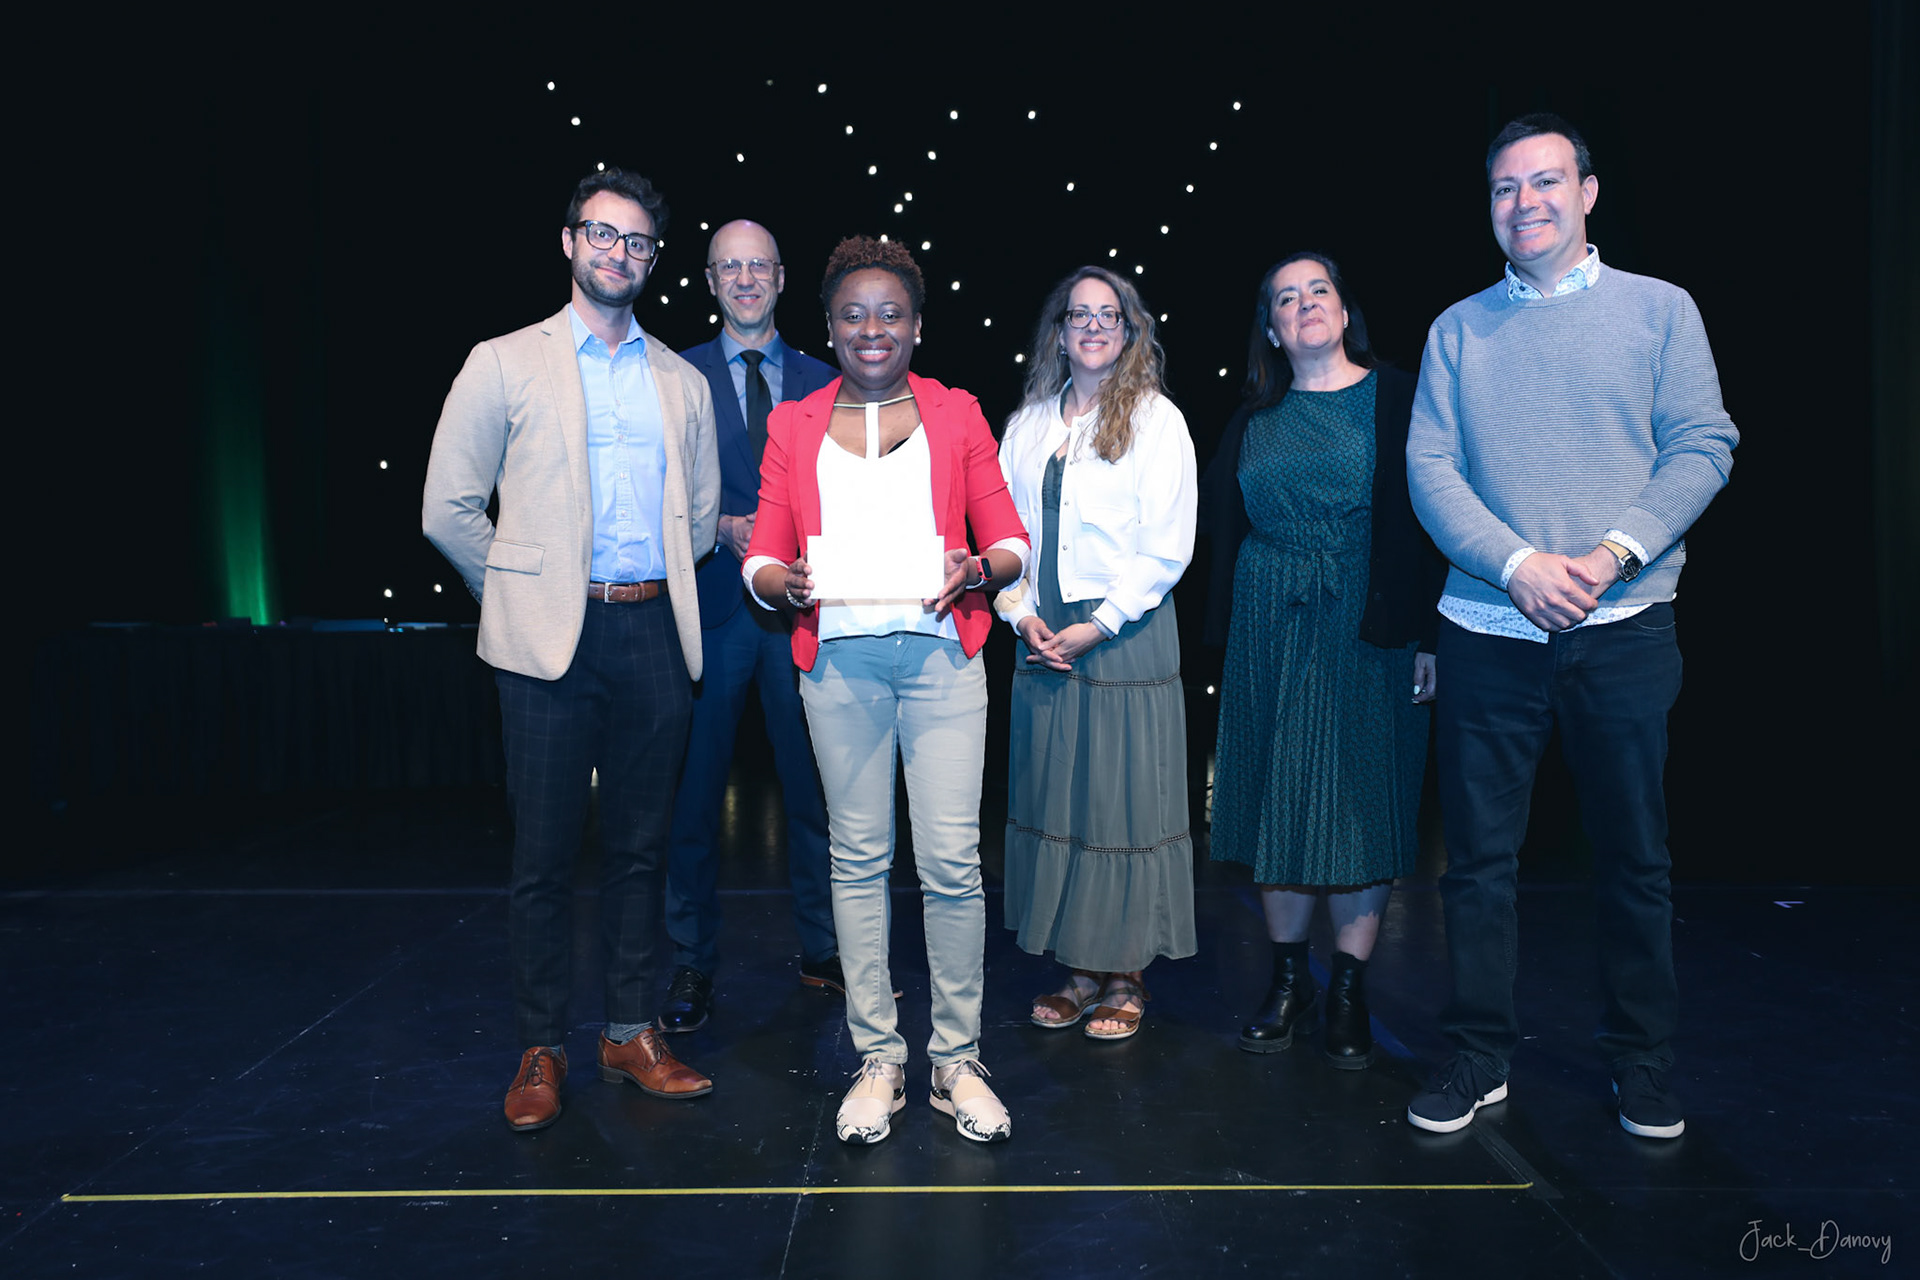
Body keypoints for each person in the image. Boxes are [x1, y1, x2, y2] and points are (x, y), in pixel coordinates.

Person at [1404, 114, 1737, 1138]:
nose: (1526, 202)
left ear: (1587, 193)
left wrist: (1608, 557)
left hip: (1624, 626)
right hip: (1486, 630)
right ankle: (1479, 1055)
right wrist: (1518, 566)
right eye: (1506, 187)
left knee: (1633, 859)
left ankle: (1643, 1062)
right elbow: (1430, 469)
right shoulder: (1458, 329)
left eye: (1546, 181)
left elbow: (1703, 444)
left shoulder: (1661, 310)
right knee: (1477, 867)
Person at [422, 168, 719, 1132]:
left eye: (637, 241)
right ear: (569, 242)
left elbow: (700, 518)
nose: (618, 253)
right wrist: (521, 593)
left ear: (652, 259)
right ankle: (541, 1046)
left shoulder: (681, 381)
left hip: (653, 632)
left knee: (640, 852)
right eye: (602, 234)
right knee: (544, 856)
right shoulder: (504, 361)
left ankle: (629, 1034)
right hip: (548, 640)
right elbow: (447, 509)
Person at [742, 236, 1029, 1145]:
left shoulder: (956, 412)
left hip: (941, 660)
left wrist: (977, 567)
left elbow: (1011, 542)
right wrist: (783, 583)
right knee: (858, 860)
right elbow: (762, 556)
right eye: (854, 314)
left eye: (891, 313)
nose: (873, 328)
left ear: (917, 325)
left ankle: (957, 1060)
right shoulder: (794, 423)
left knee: (951, 863)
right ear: (829, 327)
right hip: (840, 665)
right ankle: (879, 1058)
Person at [1203, 252, 1444, 1069]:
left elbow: (1433, 520)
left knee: (1361, 802)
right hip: (1269, 624)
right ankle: (1285, 982)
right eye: (1286, 299)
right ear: (1271, 329)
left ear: (1345, 313)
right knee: (1278, 798)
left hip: (1369, 623)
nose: (1304, 305)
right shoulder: (1252, 419)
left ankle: (1347, 988)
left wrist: (1431, 635)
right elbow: (1219, 527)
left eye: (1319, 291)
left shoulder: (1400, 398)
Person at [995, 266, 1197, 1041]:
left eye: (1107, 315)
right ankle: (1080, 970)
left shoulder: (1156, 419)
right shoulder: (1028, 424)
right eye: (1077, 315)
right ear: (1058, 333)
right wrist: (1019, 615)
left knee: (1121, 802)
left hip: (1123, 633)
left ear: (1129, 330)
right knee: (1062, 800)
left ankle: (1125, 975)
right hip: (1044, 635)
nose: (1092, 327)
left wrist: (1102, 622)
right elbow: (1004, 533)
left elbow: (1167, 544)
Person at [657, 220, 840, 1033]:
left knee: (814, 792)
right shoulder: (675, 375)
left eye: (757, 265)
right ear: (709, 280)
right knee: (695, 797)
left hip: (804, 608)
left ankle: (825, 950)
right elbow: (657, 492)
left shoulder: (827, 380)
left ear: (780, 277)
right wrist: (719, 527)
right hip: (712, 609)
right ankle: (691, 961)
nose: (744, 279)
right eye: (728, 266)